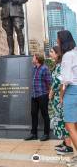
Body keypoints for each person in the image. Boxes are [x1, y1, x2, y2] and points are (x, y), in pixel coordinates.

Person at [57, 30, 77, 166]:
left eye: (58, 39)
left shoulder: (67, 56)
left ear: (62, 40)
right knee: (75, 125)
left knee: (69, 126)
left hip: (72, 90)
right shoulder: (75, 53)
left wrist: (61, 96)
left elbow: (66, 80)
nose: (57, 41)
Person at [49, 46, 73, 155]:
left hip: (59, 98)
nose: (50, 53)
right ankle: (65, 143)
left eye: (52, 51)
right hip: (58, 98)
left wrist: (52, 92)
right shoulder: (57, 65)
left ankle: (68, 147)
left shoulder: (59, 66)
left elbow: (59, 81)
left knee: (62, 121)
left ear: (57, 54)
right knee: (60, 120)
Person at [25, 54, 52, 141]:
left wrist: (50, 94)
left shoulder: (45, 68)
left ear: (37, 59)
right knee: (33, 114)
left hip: (43, 95)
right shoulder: (34, 68)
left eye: (33, 57)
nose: (32, 59)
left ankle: (46, 134)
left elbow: (50, 82)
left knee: (45, 115)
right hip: (34, 95)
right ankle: (33, 134)